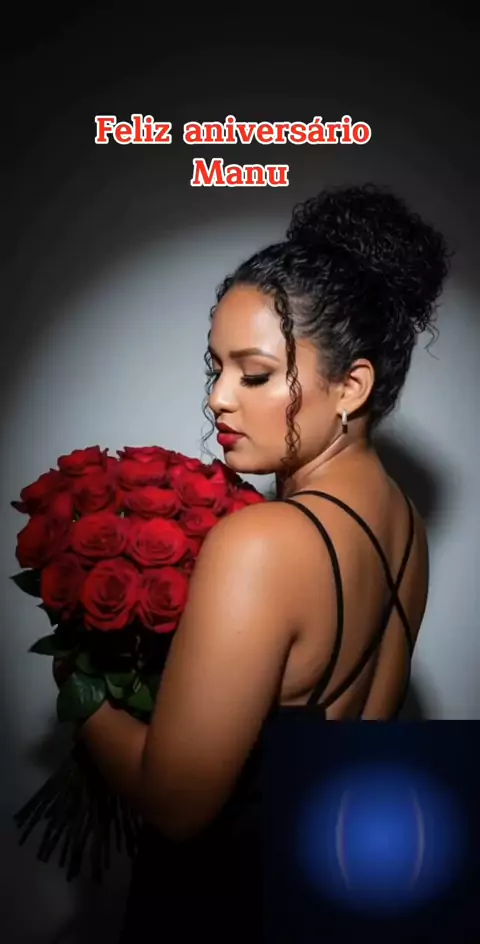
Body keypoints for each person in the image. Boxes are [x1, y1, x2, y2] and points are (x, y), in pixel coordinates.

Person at [76, 183, 450, 939]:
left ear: (352, 387)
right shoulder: (405, 526)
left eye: (253, 374)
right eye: (213, 368)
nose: (218, 398)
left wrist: (77, 685)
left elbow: (176, 807)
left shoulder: (263, 543)